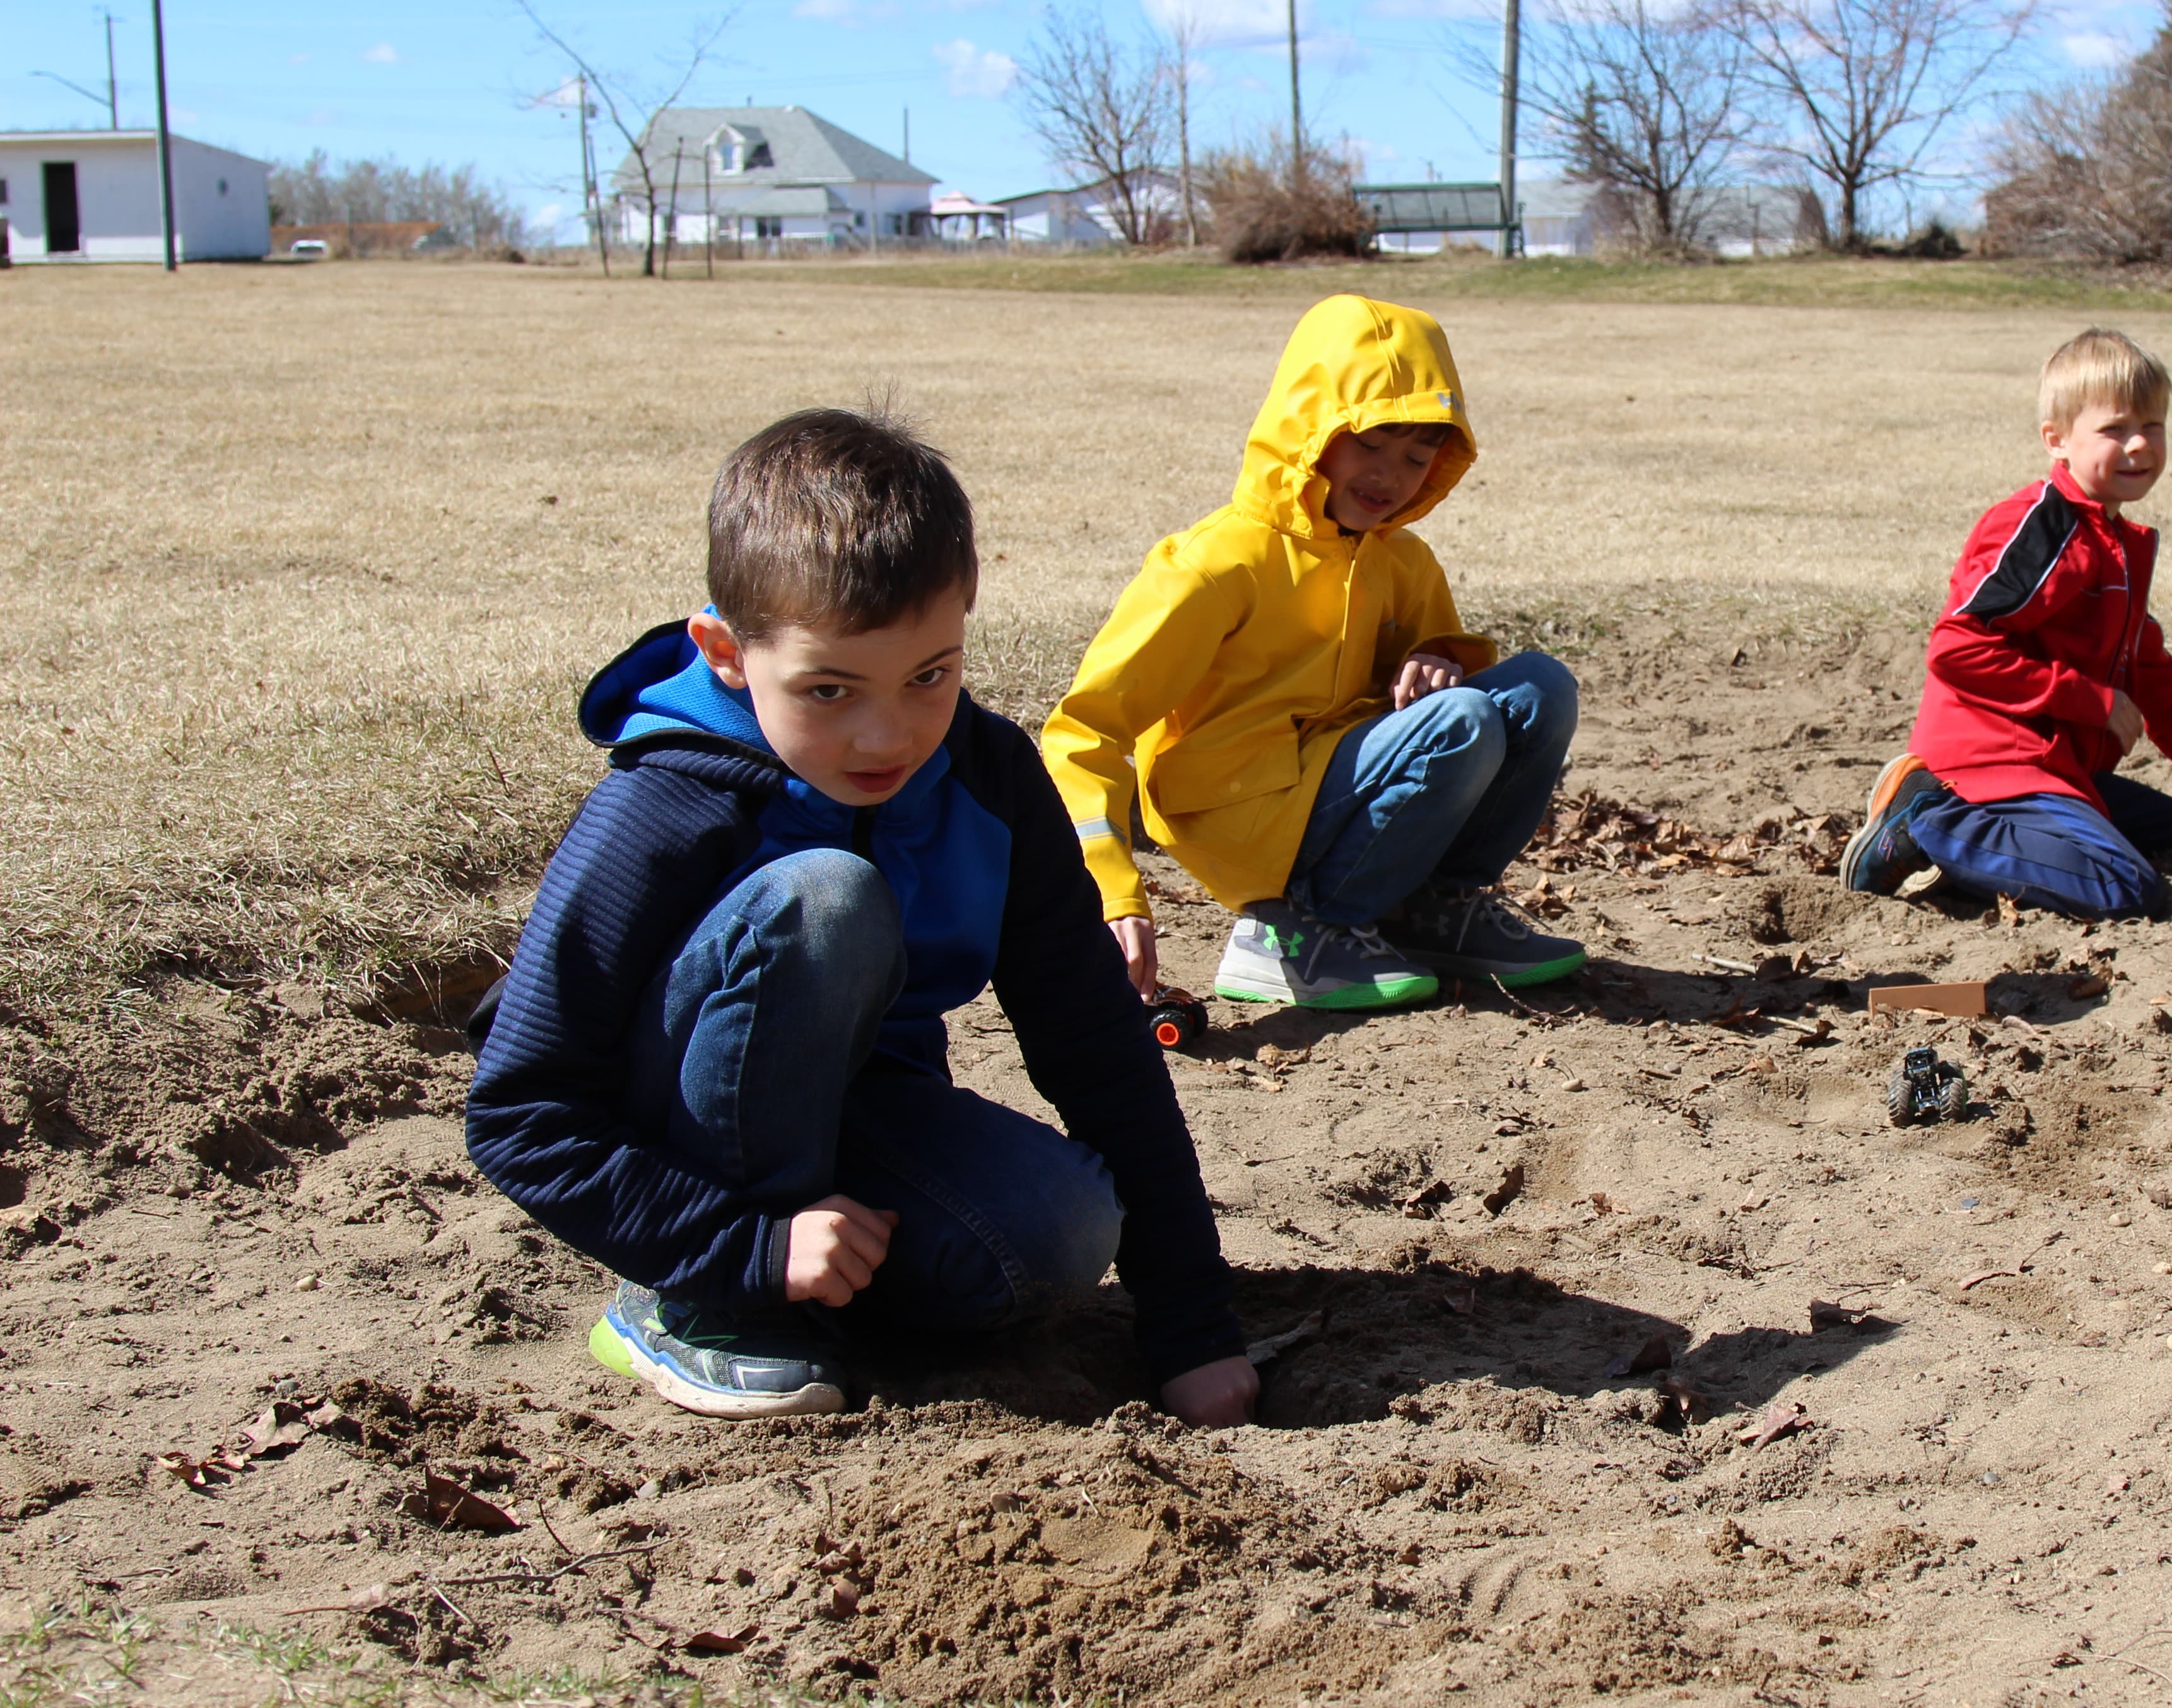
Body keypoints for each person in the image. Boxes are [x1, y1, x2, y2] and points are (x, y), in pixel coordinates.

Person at [466, 410, 1254, 1425]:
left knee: (1057, 1236)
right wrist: (741, 1249)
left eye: (930, 676)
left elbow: (1097, 1046)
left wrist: (1191, 1325)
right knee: (826, 897)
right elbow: (520, 1111)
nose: (888, 737)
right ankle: (697, 1306)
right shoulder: (665, 802)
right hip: (668, 1142)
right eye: (829, 690)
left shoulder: (987, 778)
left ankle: (818, 1275)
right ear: (726, 652)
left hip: (862, 1108)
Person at [1043, 295, 1582, 1014]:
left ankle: (1430, 910)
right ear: (1309, 425)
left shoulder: (1402, 561)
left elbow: (1454, 706)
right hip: (1238, 813)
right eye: (1370, 444)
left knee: (1542, 686)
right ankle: (1290, 930)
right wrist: (1111, 891)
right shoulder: (1215, 565)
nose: (1390, 476)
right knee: (1464, 722)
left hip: (1330, 782)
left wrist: (1439, 660)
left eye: (1417, 457)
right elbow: (1084, 730)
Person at [1840, 327, 2172, 921]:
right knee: (2126, 889)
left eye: (2153, 425)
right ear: (2057, 440)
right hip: (1991, 763)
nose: (2139, 444)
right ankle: (1925, 820)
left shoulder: (2116, 543)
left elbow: (2156, 682)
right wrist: (2090, 700)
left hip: (2053, 764)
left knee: (2166, 824)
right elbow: (1955, 649)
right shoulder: (2044, 528)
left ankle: (1984, 843)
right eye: (2114, 428)